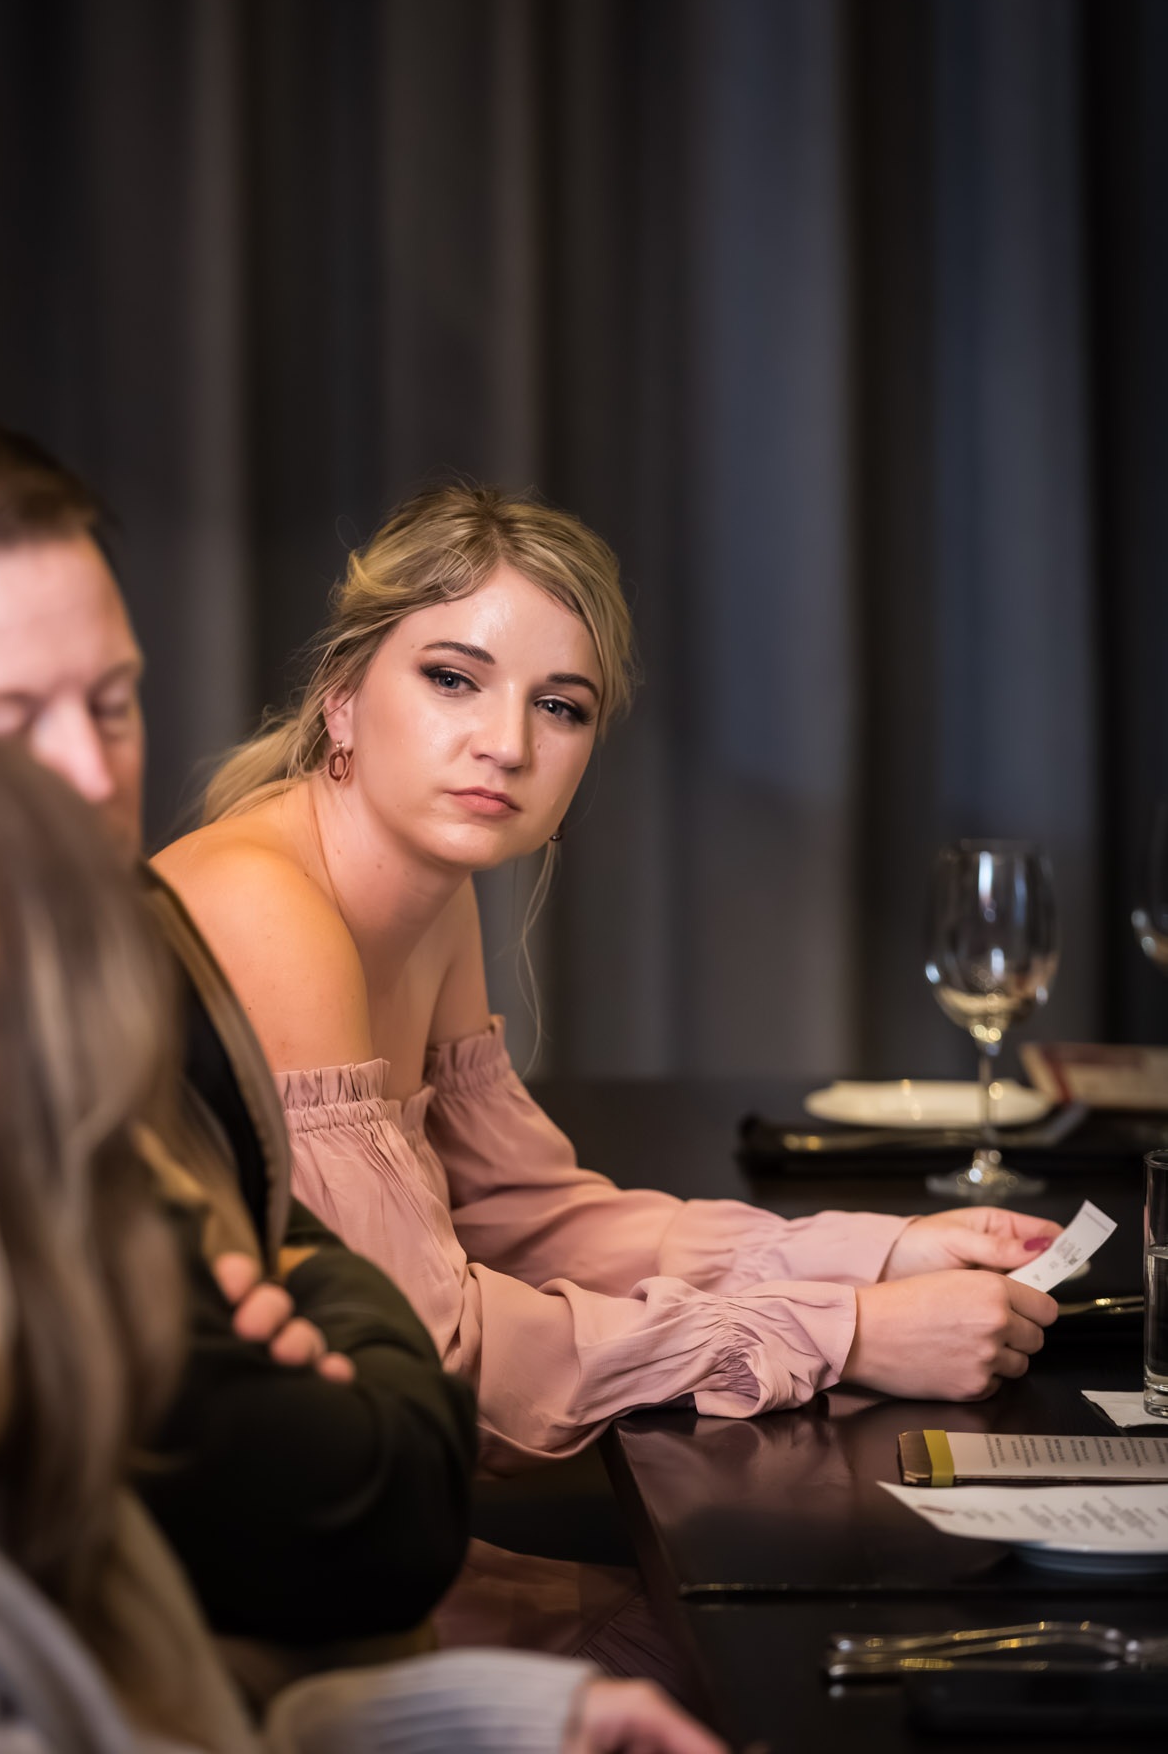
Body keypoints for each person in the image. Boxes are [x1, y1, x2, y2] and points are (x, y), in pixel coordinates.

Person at [0, 699, 724, 1754]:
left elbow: (163, 1723)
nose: (508, 742)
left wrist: (516, 1721)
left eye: (113, 703)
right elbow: (387, 1479)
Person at [151, 483, 1062, 1468]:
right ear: (341, 698)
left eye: (559, 706)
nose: (508, 745)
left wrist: (877, 1254)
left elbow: (521, 1217)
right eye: (452, 678)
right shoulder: (265, 905)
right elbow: (424, 1352)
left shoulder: (433, 896)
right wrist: (844, 1334)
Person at [0, 421, 476, 1667]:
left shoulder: (124, 934)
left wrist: (293, 1276)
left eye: (111, 701)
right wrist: (312, 1290)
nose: (88, 771)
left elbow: (295, 1245)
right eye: (7, 721)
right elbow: (374, 1507)